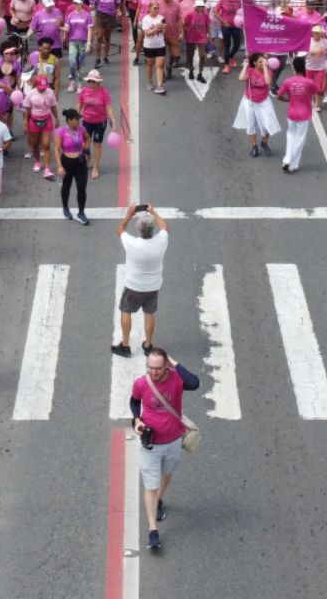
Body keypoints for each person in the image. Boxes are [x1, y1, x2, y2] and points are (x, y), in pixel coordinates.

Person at [130, 349, 200, 552]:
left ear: (167, 366)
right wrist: (136, 419)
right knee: (150, 485)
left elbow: (194, 383)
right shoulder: (142, 383)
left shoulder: (177, 379)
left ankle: (160, 498)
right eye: (150, 368)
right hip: (150, 443)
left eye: (158, 368)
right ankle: (153, 530)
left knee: (166, 474)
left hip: (173, 441)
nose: (154, 372)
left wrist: (175, 363)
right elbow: (134, 401)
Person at [113, 204, 170, 357]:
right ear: (152, 230)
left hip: (134, 286)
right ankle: (148, 344)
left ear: (139, 229)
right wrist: (152, 212)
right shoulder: (161, 241)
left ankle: (125, 345)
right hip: (153, 286)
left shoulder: (132, 243)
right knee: (149, 313)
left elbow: (120, 230)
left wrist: (129, 215)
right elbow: (165, 226)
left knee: (126, 311)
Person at [277, 57, 320, 174]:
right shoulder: (309, 82)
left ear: (294, 67)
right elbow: (319, 92)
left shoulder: (288, 81)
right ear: (304, 67)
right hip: (304, 114)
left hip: (291, 113)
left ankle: (287, 159)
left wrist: (287, 100)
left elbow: (278, 95)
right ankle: (292, 163)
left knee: (290, 136)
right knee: (299, 139)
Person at [233, 53, 280, 158]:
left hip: (263, 101)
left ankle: (264, 142)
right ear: (254, 63)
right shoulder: (250, 71)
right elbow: (241, 78)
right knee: (251, 124)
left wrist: (265, 67)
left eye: (264, 61)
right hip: (250, 102)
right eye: (260, 61)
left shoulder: (268, 71)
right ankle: (254, 146)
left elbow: (267, 82)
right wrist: (246, 65)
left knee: (269, 124)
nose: (263, 63)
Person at [54, 108, 91, 224]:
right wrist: (59, 166)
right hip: (66, 162)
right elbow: (56, 149)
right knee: (66, 186)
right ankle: (65, 207)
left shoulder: (81, 129)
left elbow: (88, 138)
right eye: (76, 119)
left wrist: (85, 148)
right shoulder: (61, 131)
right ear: (69, 120)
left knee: (81, 187)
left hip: (80, 162)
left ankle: (81, 212)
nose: (78, 122)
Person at [77, 69, 116, 179]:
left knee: (97, 144)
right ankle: (88, 157)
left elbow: (108, 107)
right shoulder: (84, 91)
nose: (90, 83)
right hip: (87, 121)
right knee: (84, 144)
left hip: (100, 122)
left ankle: (96, 167)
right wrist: (76, 117)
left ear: (98, 82)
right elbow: (79, 104)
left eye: (93, 81)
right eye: (89, 81)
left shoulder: (104, 92)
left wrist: (113, 120)